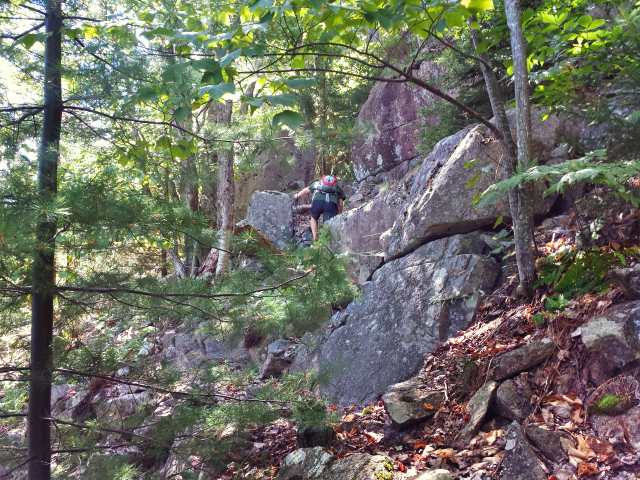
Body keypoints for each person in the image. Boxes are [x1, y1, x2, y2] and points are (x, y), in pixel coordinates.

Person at [293, 175, 346, 240]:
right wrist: (339, 213)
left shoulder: (317, 183)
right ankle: (325, 240)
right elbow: (340, 203)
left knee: (314, 217)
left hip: (317, 202)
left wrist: (297, 195)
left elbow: (306, 191)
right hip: (331, 204)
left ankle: (315, 238)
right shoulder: (337, 187)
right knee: (328, 223)